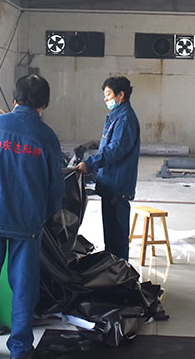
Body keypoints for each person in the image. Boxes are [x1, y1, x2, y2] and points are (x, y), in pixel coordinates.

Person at [0, 74, 64, 359]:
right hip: (27, 223)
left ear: (15, 98)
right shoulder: (47, 137)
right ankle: (20, 348)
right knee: (23, 286)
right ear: (44, 104)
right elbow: (55, 191)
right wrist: (41, 214)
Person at [76, 76, 140, 260]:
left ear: (121, 95)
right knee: (110, 236)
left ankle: (120, 272)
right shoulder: (116, 116)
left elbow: (115, 150)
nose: (105, 98)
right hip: (110, 184)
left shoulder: (125, 119)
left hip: (118, 186)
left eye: (109, 94)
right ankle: (112, 269)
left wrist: (90, 164)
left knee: (117, 238)